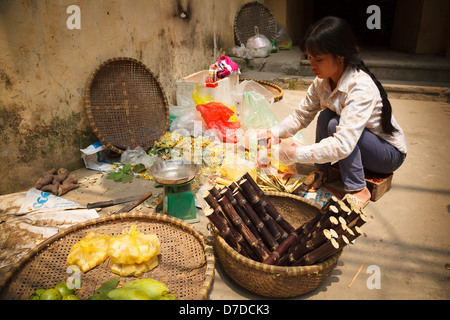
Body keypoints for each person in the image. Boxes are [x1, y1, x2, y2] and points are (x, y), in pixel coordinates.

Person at [259, 16, 407, 209]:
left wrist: (295, 153)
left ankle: (358, 189)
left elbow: (343, 144)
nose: (312, 65)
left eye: (318, 59)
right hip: (361, 144)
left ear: (340, 56)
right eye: (309, 58)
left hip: (387, 154)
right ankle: (322, 171)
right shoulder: (322, 83)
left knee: (334, 125)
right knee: (327, 116)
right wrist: (274, 132)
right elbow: (301, 115)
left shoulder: (360, 87)